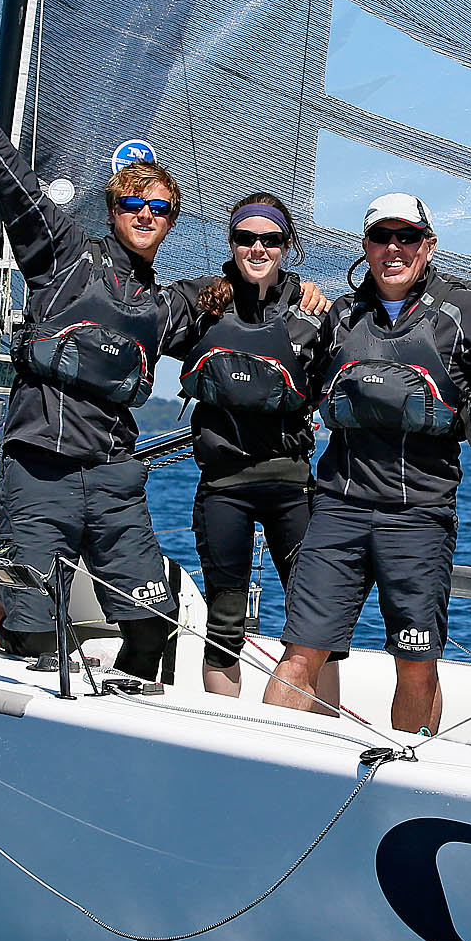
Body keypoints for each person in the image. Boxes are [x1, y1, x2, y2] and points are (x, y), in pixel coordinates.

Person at [0, 46, 194, 686]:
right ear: (113, 211)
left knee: (153, 626)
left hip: (112, 477)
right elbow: (10, 180)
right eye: (134, 206)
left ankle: (123, 710)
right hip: (39, 464)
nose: (146, 217)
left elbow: (249, 317)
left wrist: (305, 295)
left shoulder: (169, 303)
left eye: (159, 208)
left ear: (171, 219)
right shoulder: (65, 254)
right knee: (31, 636)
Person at [264, 193, 471, 734]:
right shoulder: (337, 315)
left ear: (428, 246)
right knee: (300, 652)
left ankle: (411, 775)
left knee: (416, 662)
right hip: (338, 510)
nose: (393, 248)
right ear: (366, 247)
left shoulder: (464, 314)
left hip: (418, 516)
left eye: (407, 236)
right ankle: (265, 771)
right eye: (382, 237)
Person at [167, 194, 338, 698]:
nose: (257, 248)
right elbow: (135, 310)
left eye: (270, 239)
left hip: (291, 482)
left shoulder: (313, 310)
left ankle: (323, 735)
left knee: (316, 617)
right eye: (246, 238)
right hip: (224, 485)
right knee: (224, 622)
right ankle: (225, 736)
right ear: (232, 242)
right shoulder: (203, 302)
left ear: (288, 245)